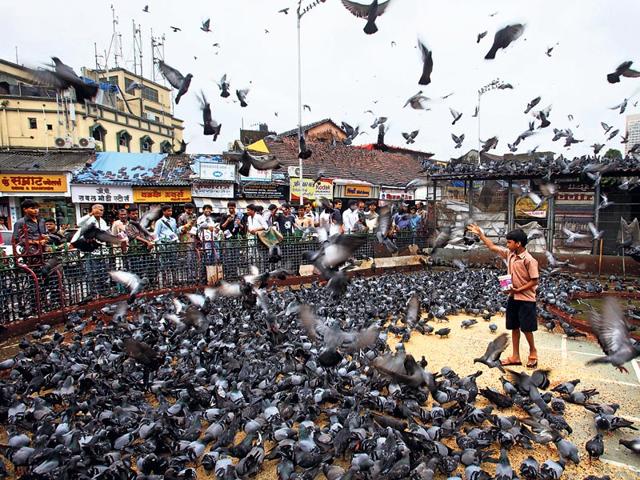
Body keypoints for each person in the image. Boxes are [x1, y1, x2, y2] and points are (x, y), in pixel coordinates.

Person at [468, 224, 540, 368]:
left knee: (527, 328)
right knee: (514, 327)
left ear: (518, 244)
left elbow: (535, 280)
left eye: (509, 242)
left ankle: (533, 353)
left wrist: (518, 289)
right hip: (513, 297)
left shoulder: (529, 260)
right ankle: (515, 356)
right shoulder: (510, 254)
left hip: (526, 299)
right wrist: (481, 235)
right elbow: (492, 247)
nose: (507, 245)